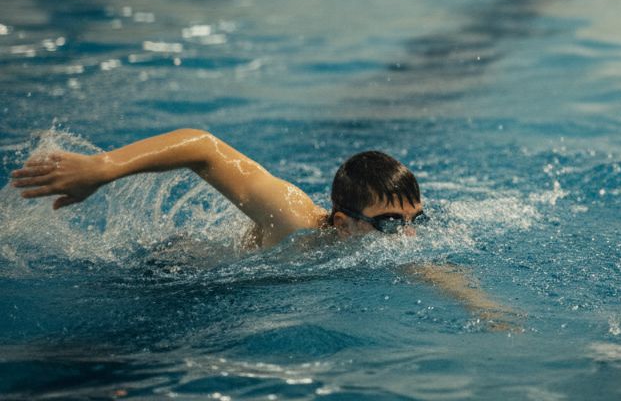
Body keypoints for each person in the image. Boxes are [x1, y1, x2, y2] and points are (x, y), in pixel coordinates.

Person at [8, 129, 517, 324]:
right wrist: (102, 169)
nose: (405, 239)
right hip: (178, 273)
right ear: (342, 222)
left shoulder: (391, 241)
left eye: (414, 221)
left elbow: (432, 272)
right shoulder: (289, 214)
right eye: (388, 225)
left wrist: (487, 310)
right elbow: (203, 147)